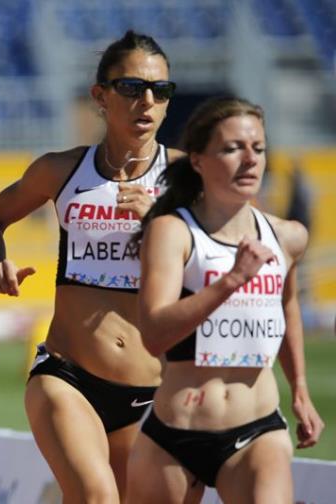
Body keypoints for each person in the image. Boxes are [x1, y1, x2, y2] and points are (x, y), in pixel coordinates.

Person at [0, 30, 179, 501]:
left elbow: (226, 267)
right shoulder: (60, 170)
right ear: (99, 96)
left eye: (160, 91)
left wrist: (161, 222)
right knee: (96, 497)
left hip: (153, 388)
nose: (147, 101)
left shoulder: (188, 180)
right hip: (67, 375)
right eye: (131, 88)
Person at [126, 96, 324, 502]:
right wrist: (231, 280)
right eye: (233, 148)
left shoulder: (287, 237)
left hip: (257, 429)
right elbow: (155, 334)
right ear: (197, 160)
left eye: (259, 148)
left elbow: (287, 308)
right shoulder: (172, 232)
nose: (250, 160)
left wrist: (300, 388)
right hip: (173, 436)